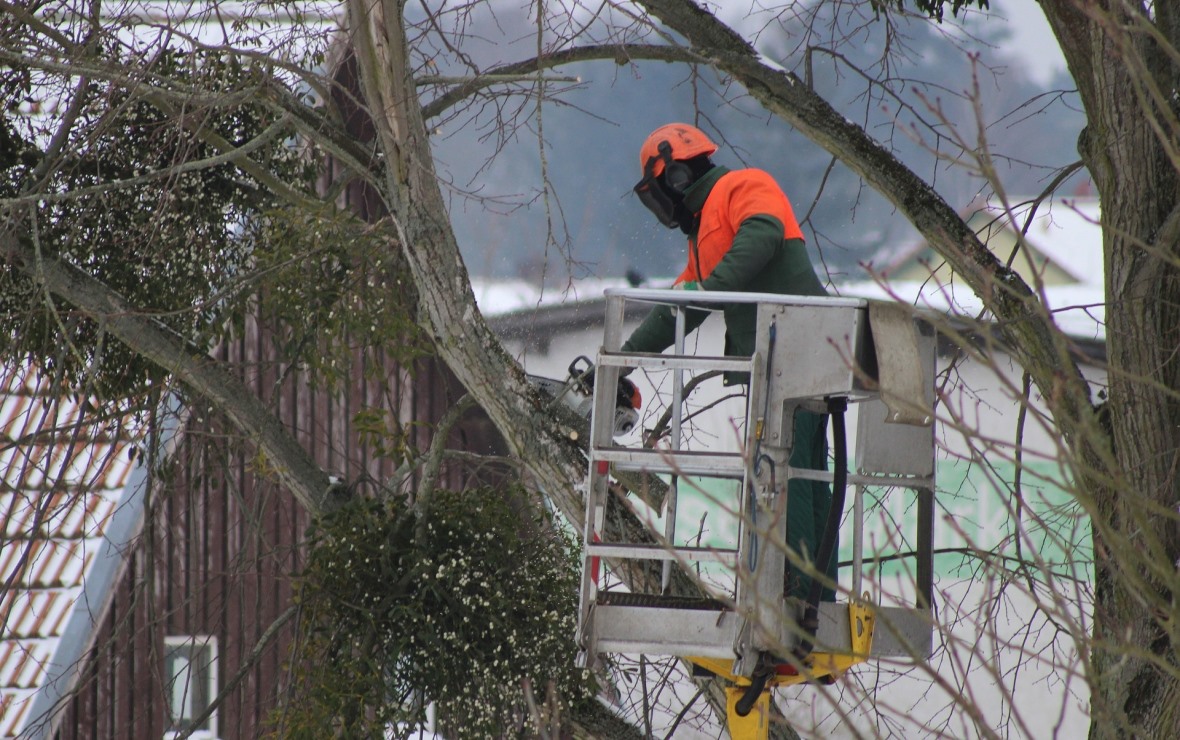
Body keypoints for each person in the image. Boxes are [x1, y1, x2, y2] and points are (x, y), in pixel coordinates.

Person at [622, 122, 836, 602]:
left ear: (673, 177)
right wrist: (622, 361)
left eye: (660, 190)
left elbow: (762, 237)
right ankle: (804, 593)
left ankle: (799, 599)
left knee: (792, 479)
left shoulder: (744, 185)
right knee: (788, 476)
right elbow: (681, 308)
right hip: (774, 367)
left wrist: (711, 289)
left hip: (800, 354)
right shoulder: (703, 232)